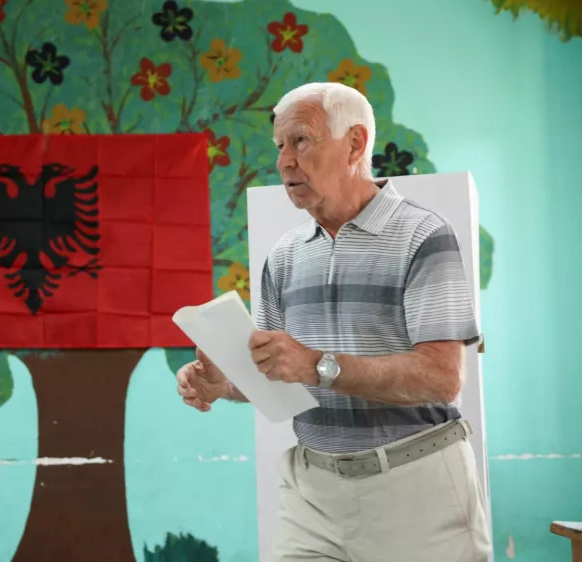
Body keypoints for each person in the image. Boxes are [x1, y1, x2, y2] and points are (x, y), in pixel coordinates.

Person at [176, 82, 492, 561]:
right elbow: (284, 376)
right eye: (280, 146)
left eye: (301, 140)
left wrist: (317, 364)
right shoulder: (282, 256)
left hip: (417, 492)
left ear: (356, 144)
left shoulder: (424, 236)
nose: (284, 161)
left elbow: (442, 378)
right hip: (312, 492)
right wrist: (226, 382)